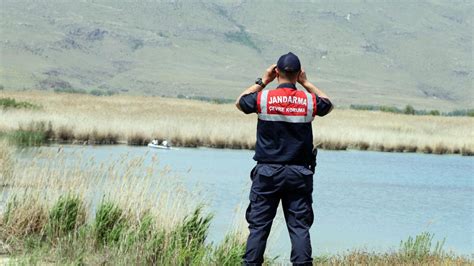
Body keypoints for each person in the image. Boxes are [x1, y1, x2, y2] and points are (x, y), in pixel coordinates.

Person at [235, 52, 333, 265]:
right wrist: (306, 83)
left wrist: (263, 81)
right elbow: (328, 103)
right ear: (298, 74)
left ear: (276, 72)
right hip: (299, 173)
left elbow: (240, 102)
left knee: (259, 228)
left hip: (267, 174)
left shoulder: (264, 98)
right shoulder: (308, 101)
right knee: (299, 228)